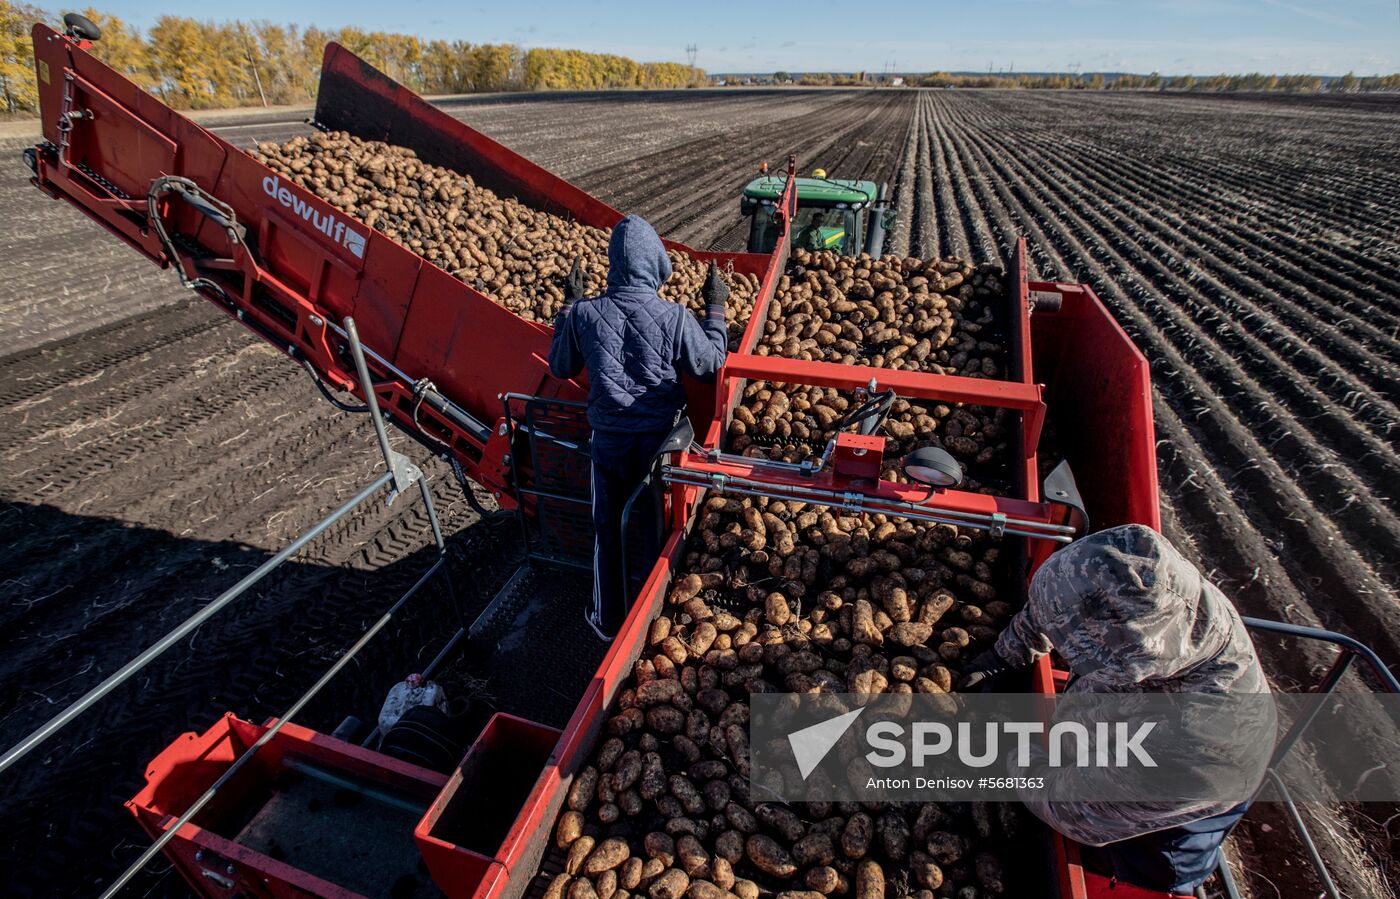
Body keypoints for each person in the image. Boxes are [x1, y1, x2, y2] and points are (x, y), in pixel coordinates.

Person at [959, 524, 1274, 896]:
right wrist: (1004, 655)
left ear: (1128, 664)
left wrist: (1009, 752)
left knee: (1108, 864)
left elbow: (1074, 812)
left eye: (1083, 654)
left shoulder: (1200, 745)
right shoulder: (1168, 596)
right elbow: (1065, 601)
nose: (1068, 649)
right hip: (1113, 735)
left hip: (1145, 838)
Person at [549, 214, 729, 640]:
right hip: (658, 443)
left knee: (606, 528)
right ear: (655, 266)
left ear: (613, 263)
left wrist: (569, 305)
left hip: (608, 441)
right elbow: (710, 365)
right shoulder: (676, 317)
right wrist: (716, 309)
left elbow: (561, 365)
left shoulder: (586, 314)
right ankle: (650, 623)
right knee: (654, 527)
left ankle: (606, 619)